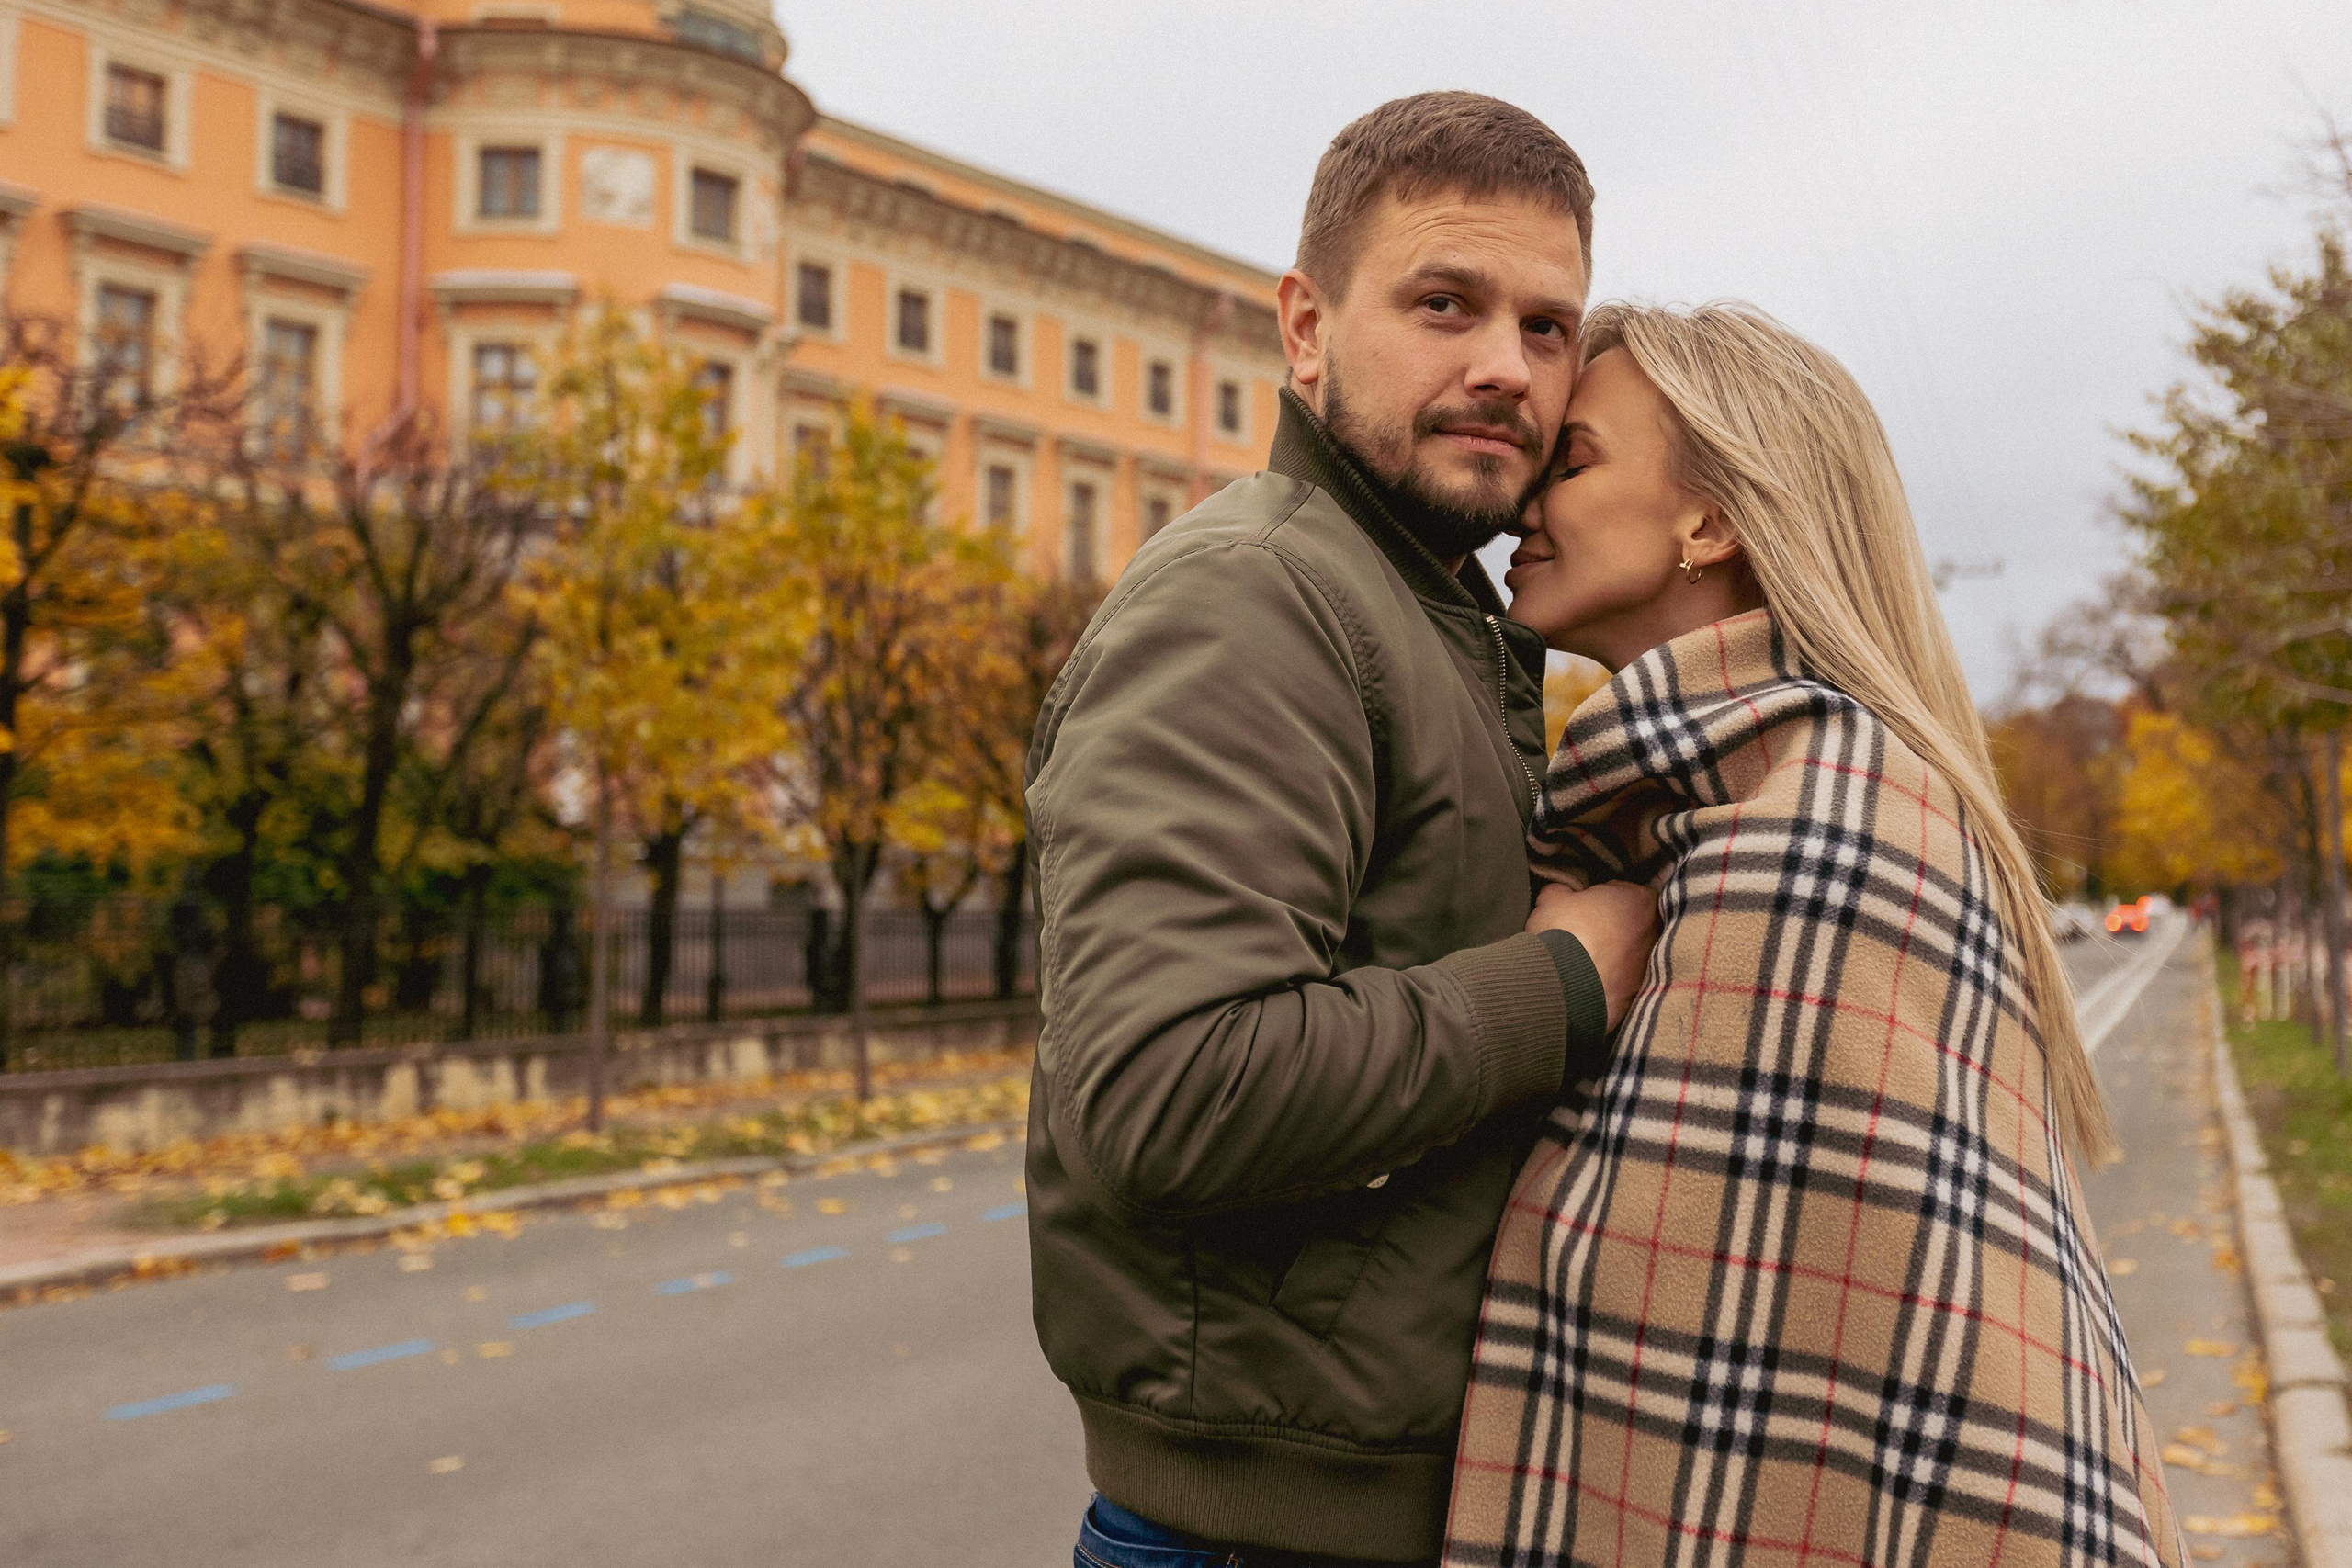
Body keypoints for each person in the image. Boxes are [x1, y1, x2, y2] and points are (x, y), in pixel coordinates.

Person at [1023, 93, 1662, 1567]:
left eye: (1549, 328)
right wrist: (1564, 986)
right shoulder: (1255, 598)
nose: (1506, 367)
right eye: (1445, 304)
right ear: (1306, 328)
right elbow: (1170, 1094)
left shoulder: (1433, 616)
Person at [1443, 302, 2182, 1567]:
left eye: (1574, 463)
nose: (1524, 508)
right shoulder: (1700, 804)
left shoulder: (1817, 829)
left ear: (1711, 521)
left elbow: (1902, 1380)